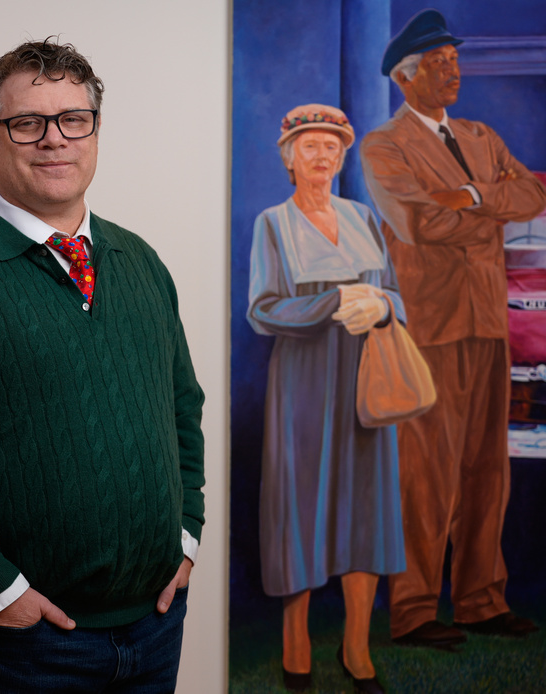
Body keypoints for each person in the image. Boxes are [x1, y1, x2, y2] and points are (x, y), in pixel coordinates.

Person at [0, 38, 205, 693]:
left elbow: (182, 409)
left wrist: (186, 536)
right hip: (22, 650)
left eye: (72, 119)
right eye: (28, 123)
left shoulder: (140, 262)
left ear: (95, 131)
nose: (54, 139)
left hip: (155, 630)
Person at [361, 9, 546, 649]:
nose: (453, 72)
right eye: (440, 64)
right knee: (427, 474)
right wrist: (486, 200)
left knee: (487, 468)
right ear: (405, 77)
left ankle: (479, 601)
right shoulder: (383, 146)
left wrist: (468, 198)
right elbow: (416, 225)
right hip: (431, 327)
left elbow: (533, 197)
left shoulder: (480, 134)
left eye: (455, 62)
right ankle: (413, 611)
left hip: (487, 321)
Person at [248, 104, 405, 694]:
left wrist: (384, 306)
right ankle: (296, 644)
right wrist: (333, 304)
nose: (324, 156)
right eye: (311, 146)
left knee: (367, 508)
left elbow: (395, 294)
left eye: (334, 147)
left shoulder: (362, 215)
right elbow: (262, 311)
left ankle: (358, 648)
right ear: (290, 157)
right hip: (305, 384)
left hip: (369, 381)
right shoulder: (274, 223)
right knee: (301, 507)